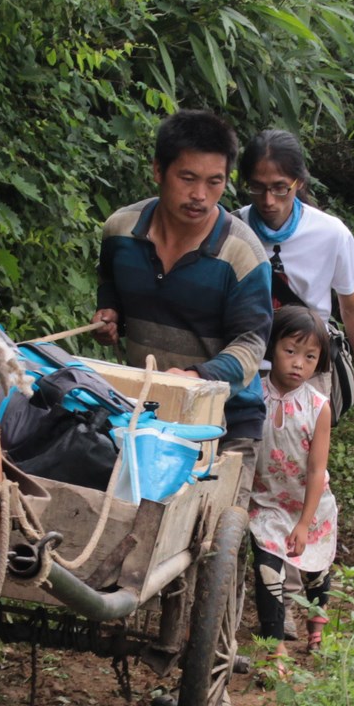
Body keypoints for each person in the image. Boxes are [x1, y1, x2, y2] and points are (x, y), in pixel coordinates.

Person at [94, 109, 273, 487]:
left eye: (214, 182)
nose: (199, 196)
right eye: (187, 178)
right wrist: (111, 315)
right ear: (159, 170)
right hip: (142, 413)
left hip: (224, 423)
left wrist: (194, 378)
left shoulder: (243, 255)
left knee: (210, 539)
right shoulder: (121, 231)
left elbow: (251, 346)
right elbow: (110, 281)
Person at [235, 130, 354, 427]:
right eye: (257, 187)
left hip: (306, 374)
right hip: (244, 369)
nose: (268, 200)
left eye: (280, 188)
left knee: (302, 467)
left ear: (299, 182)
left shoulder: (330, 233)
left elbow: (351, 306)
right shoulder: (233, 228)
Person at [249, 306, 339, 652]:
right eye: (290, 351)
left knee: (315, 568)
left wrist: (304, 521)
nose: (298, 363)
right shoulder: (253, 395)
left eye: (310, 356)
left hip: (310, 504)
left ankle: (317, 624)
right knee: (268, 572)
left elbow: (317, 469)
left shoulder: (318, 406)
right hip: (266, 503)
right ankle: (274, 649)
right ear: (273, 348)